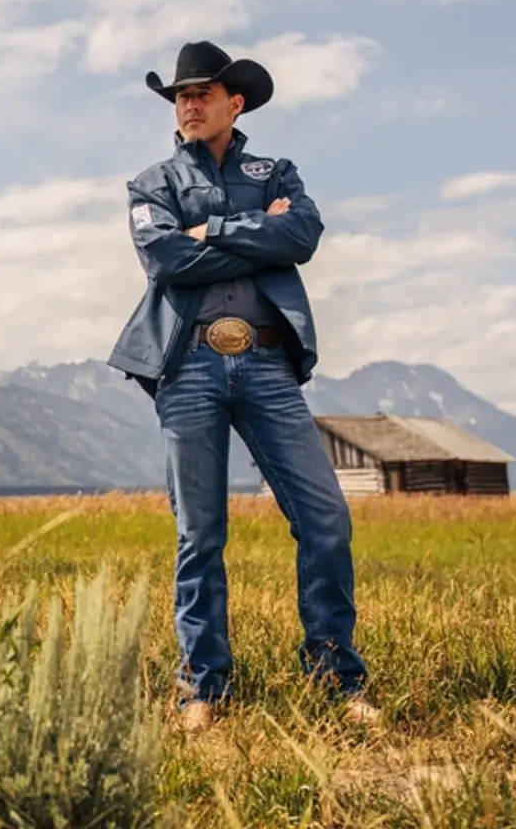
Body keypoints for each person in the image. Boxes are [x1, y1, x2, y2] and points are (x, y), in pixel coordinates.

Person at [107, 40, 379, 734]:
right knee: (200, 534)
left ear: (237, 101)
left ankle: (336, 678)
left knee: (325, 519)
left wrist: (217, 226)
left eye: (202, 93)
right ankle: (203, 688)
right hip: (188, 365)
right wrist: (260, 231)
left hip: (266, 362)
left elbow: (305, 234)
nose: (189, 104)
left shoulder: (274, 169)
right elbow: (165, 255)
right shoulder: (152, 183)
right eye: (179, 95)